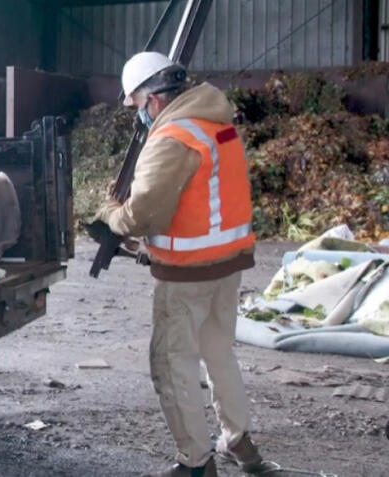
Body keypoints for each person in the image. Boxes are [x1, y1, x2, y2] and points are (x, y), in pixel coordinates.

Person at [94, 52, 266, 477]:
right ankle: (238, 439)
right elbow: (203, 194)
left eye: (136, 108)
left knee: (172, 365)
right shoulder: (218, 125)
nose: (139, 118)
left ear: (153, 99)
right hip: (229, 262)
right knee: (217, 352)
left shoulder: (172, 136)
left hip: (188, 272)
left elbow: (143, 213)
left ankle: (196, 463)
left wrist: (109, 215)